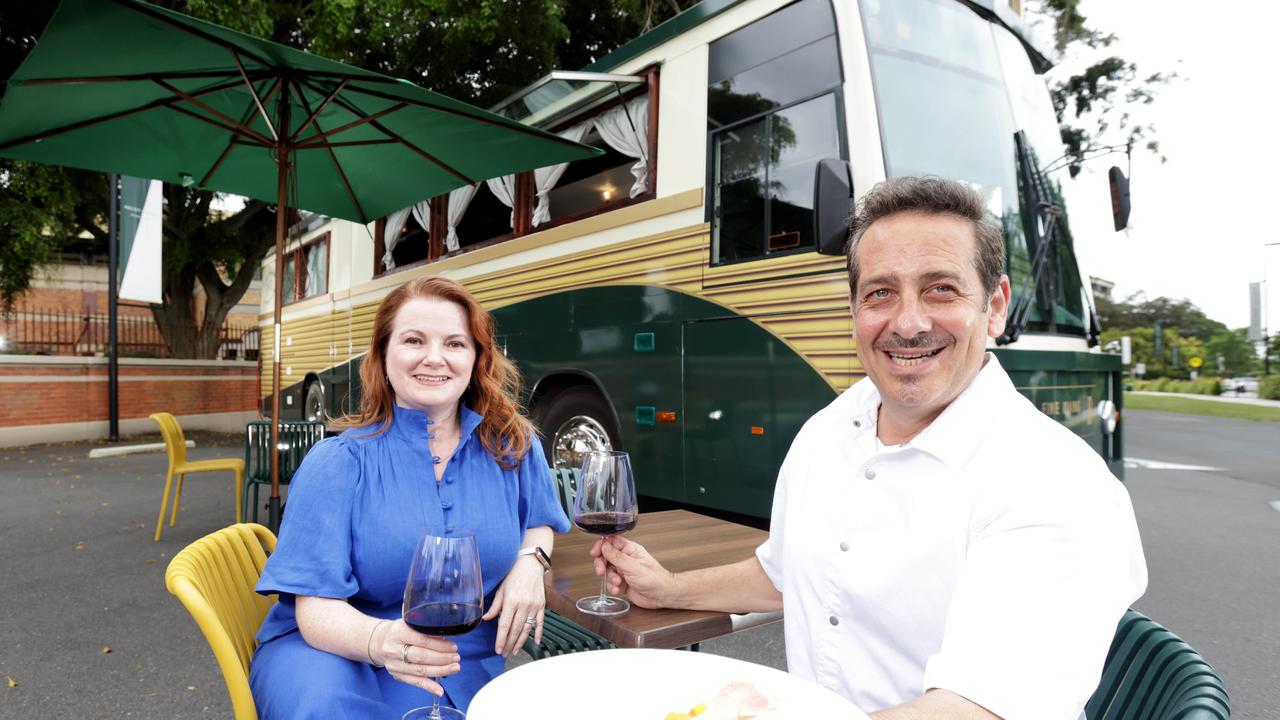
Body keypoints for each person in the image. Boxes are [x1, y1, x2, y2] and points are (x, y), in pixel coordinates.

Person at [592, 177, 1147, 719]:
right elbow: (787, 577)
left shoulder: (1057, 483)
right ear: (854, 309)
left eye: (941, 289)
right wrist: (669, 588)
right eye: (881, 293)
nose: (908, 323)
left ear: (995, 306)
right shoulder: (831, 428)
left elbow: (978, 708)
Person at [250, 276, 570, 719]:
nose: (434, 358)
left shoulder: (513, 445)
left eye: (455, 343)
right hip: (333, 651)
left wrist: (531, 563)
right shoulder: (338, 462)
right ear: (382, 356)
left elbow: (539, 520)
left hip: (458, 660)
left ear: (476, 358)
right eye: (414, 340)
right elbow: (315, 610)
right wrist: (380, 642)